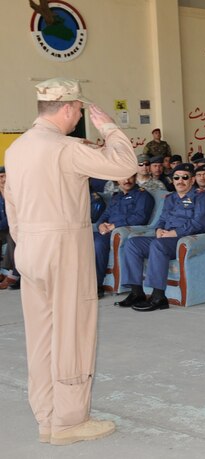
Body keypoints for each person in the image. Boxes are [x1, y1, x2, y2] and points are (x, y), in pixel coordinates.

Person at [5, 77, 138, 444]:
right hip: (62, 244)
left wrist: (27, 241)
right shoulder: (63, 147)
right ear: (66, 108)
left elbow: (11, 204)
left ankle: (46, 417)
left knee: (41, 336)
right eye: (79, 108)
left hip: (28, 245)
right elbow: (126, 165)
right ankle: (69, 421)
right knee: (73, 332)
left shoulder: (15, 149)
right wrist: (110, 127)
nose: (80, 114)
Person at [115, 164, 205, 311]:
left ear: (192, 180)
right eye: (176, 177)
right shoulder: (170, 198)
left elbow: (200, 224)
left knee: (157, 245)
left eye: (185, 177)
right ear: (172, 180)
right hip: (165, 238)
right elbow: (162, 219)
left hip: (183, 240)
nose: (180, 180)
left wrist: (174, 233)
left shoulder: (201, 197)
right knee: (132, 244)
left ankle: (158, 296)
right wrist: (159, 230)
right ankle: (137, 292)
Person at [93, 174, 154, 297]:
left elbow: (140, 217)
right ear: (117, 180)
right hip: (107, 231)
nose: (127, 180)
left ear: (135, 177)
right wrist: (100, 225)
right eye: (123, 177)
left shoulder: (142, 195)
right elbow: (106, 214)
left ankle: (97, 285)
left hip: (123, 233)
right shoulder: (116, 197)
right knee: (81, 240)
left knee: (98, 244)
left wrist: (114, 226)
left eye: (130, 177)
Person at [0, 166, 20, 290]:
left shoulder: (16, 192)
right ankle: (4, 272)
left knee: (13, 235)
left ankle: (13, 274)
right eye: (0, 177)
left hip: (14, 226)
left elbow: (15, 215)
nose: (2, 180)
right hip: (3, 227)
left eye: (4, 176)